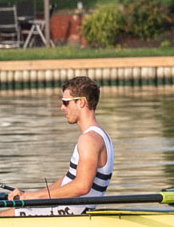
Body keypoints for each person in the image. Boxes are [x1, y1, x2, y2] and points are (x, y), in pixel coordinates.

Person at [7, 76, 111, 212]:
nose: (62, 107)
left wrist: (36, 197)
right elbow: (68, 180)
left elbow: (82, 186)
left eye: (65, 102)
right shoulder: (102, 135)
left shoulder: (88, 139)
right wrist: (29, 195)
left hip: (70, 215)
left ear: (81, 102)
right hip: (68, 211)